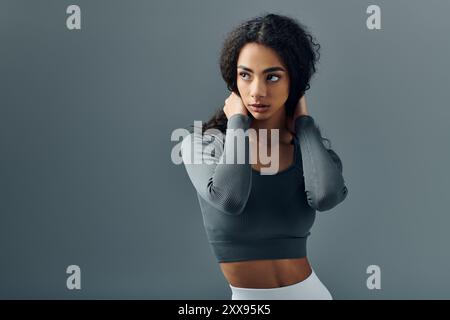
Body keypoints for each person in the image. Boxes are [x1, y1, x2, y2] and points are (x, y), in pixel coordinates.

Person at [180, 13, 348, 300]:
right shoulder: (203, 145)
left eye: (272, 76)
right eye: (245, 75)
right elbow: (229, 199)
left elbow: (326, 197)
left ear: (293, 82)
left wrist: (305, 126)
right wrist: (237, 123)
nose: (257, 91)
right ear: (233, 81)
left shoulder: (307, 149)